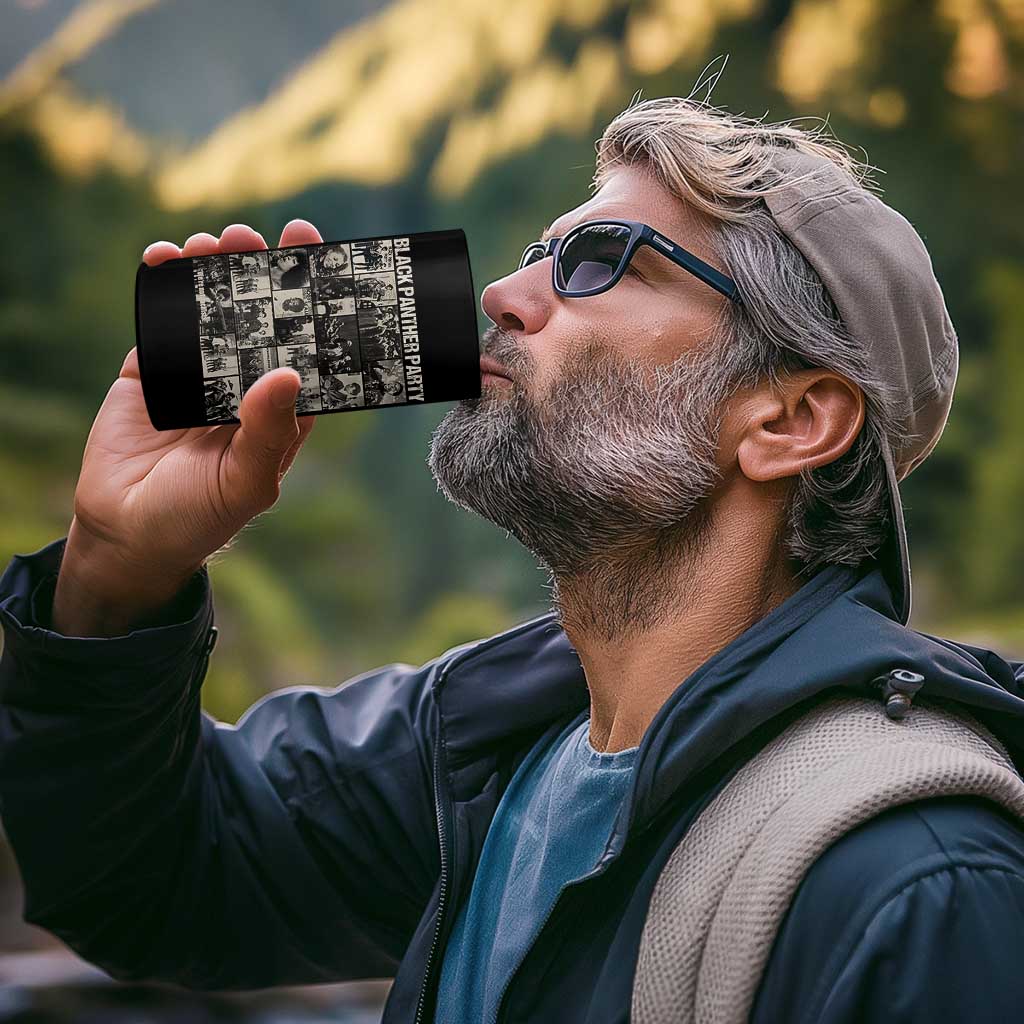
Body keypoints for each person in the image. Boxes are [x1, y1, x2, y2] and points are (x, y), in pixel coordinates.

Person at [2, 94, 1024, 1024]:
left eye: (599, 261)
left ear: (791, 419)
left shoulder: (918, 884)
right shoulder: (480, 748)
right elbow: (149, 880)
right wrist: (115, 572)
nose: (502, 291)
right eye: (540, 252)